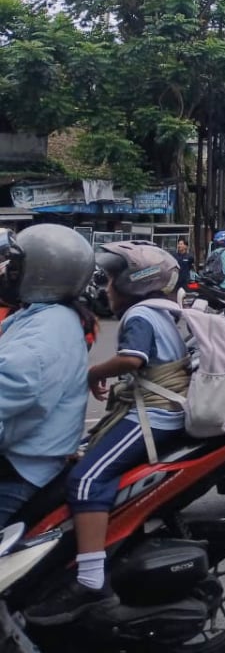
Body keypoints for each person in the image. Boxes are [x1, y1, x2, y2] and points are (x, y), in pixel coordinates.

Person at [27, 241, 186, 625]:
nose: (106, 288)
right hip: (150, 409)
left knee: (85, 480)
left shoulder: (141, 316)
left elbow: (134, 359)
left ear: (133, 283)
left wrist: (89, 374)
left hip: (156, 416)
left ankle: (90, 582)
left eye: (113, 279)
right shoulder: (162, 309)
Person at [0, 225, 95, 528]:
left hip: (21, 470)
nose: (7, 274)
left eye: (14, 267)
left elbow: (13, 384)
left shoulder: (47, 330)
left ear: (41, 273)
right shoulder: (37, 316)